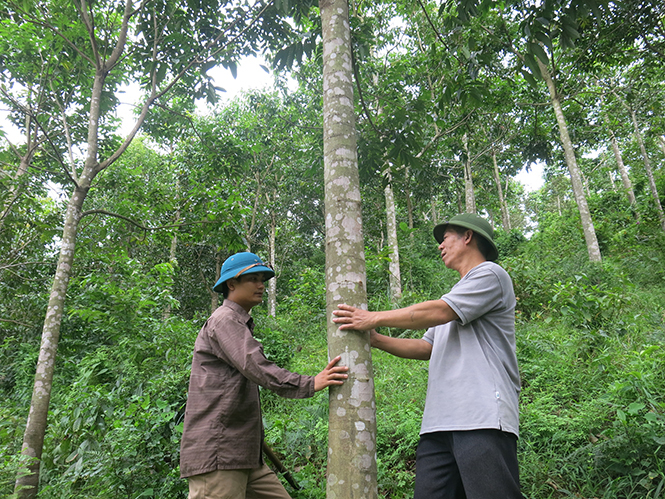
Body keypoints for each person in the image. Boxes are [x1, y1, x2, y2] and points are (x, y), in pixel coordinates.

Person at [332, 213, 524, 499]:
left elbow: (437, 312)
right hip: (438, 424)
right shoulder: (457, 294)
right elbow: (426, 347)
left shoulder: (490, 275)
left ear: (467, 237)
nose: (440, 246)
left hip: (480, 417)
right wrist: (375, 339)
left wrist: (371, 317)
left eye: (445, 238)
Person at [180, 251, 349, 499]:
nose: (261, 285)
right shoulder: (224, 320)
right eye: (253, 279)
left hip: (243, 454)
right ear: (232, 284)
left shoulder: (237, 323)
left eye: (263, 279)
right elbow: (256, 366)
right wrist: (310, 383)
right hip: (219, 454)